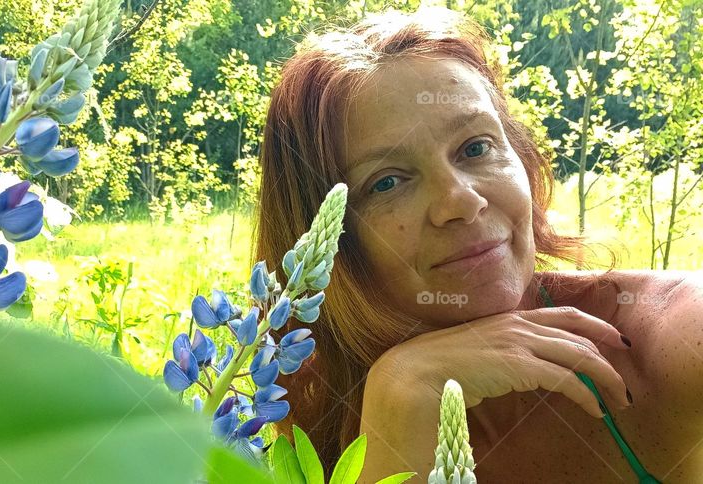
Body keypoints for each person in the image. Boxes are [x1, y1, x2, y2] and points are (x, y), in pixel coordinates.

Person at [252, 6, 703, 482]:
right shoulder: (305, 392)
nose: (460, 201)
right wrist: (401, 397)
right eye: (387, 182)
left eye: (475, 147)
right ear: (334, 245)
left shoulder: (658, 334)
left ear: (523, 159)